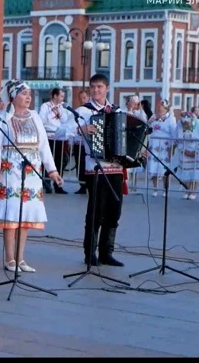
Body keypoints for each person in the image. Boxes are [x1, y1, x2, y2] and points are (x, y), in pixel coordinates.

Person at [0, 80, 64, 273]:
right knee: (11, 216)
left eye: (29, 94)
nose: (28, 97)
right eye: (24, 94)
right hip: (10, 172)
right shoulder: (3, 117)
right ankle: (9, 259)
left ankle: (21, 258)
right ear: (13, 97)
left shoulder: (35, 117)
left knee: (25, 217)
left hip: (31, 174)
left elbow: (44, 145)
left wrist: (52, 170)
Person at [74, 73, 125, 267]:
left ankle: (106, 252)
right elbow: (63, 131)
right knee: (96, 211)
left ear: (107, 89)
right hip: (95, 167)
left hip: (116, 168)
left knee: (114, 211)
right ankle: (90, 253)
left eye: (100, 87)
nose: (96, 90)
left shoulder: (117, 111)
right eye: (93, 87)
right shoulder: (83, 112)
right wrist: (82, 129)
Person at [37, 88, 69, 194]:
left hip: (59, 137)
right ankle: (46, 184)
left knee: (60, 161)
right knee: (47, 160)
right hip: (48, 137)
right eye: (61, 96)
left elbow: (65, 120)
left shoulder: (62, 107)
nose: (62, 98)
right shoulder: (45, 106)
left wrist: (60, 112)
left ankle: (58, 184)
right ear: (55, 96)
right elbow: (42, 119)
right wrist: (52, 113)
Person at [173, 112, 199, 200]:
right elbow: (176, 139)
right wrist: (183, 150)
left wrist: (196, 152)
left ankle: (193, 191)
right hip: (184, 149)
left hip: (197, 151)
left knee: (195, 172)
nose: (185, 125)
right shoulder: (179, 125)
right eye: (184, 124)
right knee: (185, 171)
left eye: (187, 124)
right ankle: (187, 190)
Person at [146, 98, 176, 197]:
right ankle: (154, 188)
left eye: (161, 107)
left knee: (164, 168)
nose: (159, 109)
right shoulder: (154, 117)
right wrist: (150, 121)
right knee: (153, 167)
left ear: (166, 108)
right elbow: (147, 128)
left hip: (165, 146)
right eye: (158, 107)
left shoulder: (170, 119)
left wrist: (172, 148)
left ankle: (165, 189)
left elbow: (173, 134)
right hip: (154, 145)